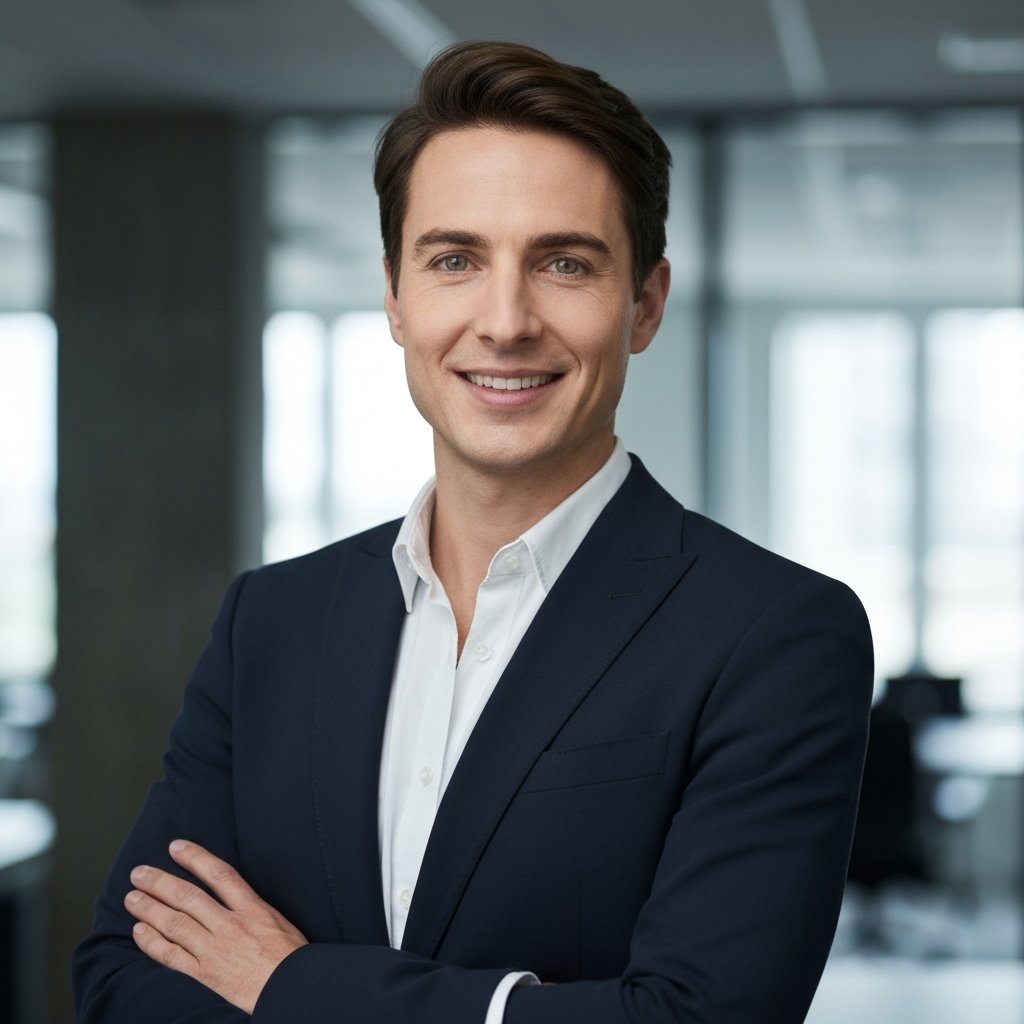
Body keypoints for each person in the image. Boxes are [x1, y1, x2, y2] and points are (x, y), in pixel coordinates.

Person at [73, 41, 873, 1024]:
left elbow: (701, 1019)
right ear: (396, 299)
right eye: (454, 260)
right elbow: (123, 978)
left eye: (563, 263)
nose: (504, 321)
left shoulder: (772, 633)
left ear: (645, 305)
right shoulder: (272, 619)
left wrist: (287, 983)